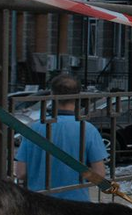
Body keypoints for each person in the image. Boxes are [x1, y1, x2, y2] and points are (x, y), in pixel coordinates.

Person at [14, 73, 108, 202]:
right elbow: (99, 175)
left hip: (39, 205)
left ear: (52, 95)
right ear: (77, 96)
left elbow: (20, 173)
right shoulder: (88, 129)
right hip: (76, 206)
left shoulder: (35, 128)